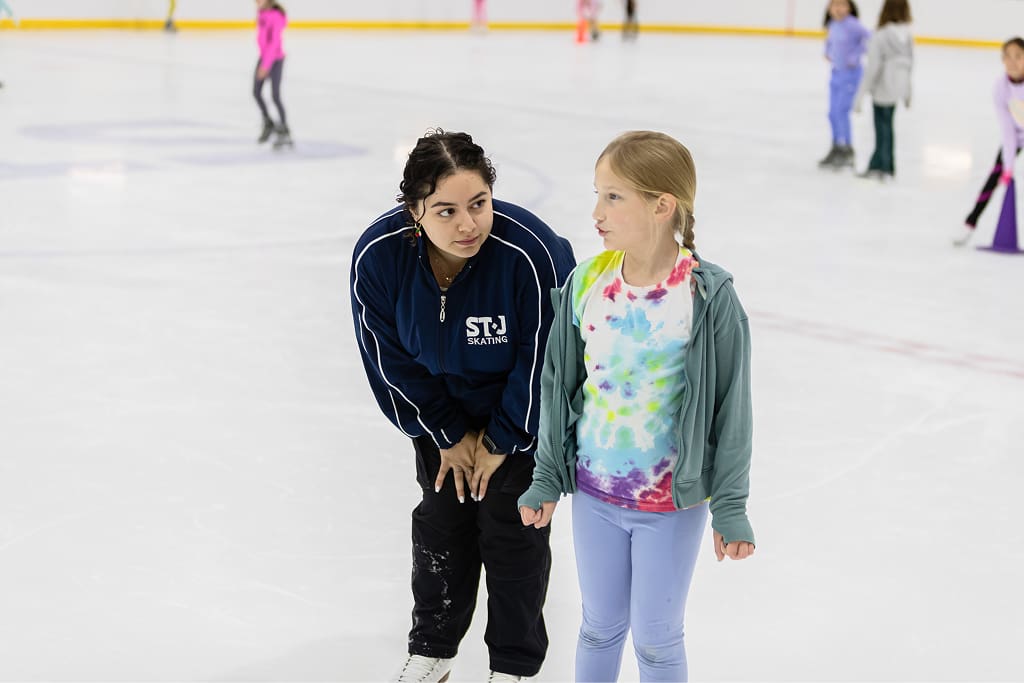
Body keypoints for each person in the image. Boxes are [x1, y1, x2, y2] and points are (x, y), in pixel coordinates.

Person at [518, 130, 756, 682]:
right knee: (598, 628)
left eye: (613, 196)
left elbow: (731, 411)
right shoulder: (586, 282)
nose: (596, 211)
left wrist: (732, 505)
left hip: (670, 505)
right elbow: (557, 386)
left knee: (656, 641)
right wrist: (548, 476)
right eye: (598, 194)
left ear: (662, 205)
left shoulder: (706, 296)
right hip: (595, 495)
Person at [350, 129, 576, 683]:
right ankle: (433, 650)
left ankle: (514, 665)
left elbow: (548, 360)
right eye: (445, 210)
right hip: (440, 416)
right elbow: (387, 360)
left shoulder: (534, 253)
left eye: (479, 204)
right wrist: (448, 433)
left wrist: (501, 439)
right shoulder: (379, 257)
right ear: (414, 211)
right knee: (441, 524)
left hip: (520, 417)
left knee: (513, 532)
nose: (467, 224)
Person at [956, 36, 1024, 246]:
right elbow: (1007, 129)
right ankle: (969, 223)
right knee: (995, 175)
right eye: (1007, 57)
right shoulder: (1001, 87)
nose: (1012, 62)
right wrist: (1008, 167)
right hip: (1018, 135)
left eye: (1018, 56)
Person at [853, 0, 913, 181]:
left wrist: (860, 95)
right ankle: (885, 165)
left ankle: (881, 166)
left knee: (882, 128)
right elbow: (911, 64)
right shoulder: (907, 35)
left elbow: (872, 68)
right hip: (897, 87)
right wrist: (908, 92)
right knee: (888, 126)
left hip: (882, 88)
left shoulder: (881, 35)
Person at [818, 0, 869, 169]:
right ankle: (836, 146)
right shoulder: (833, 24)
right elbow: (831, 41)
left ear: (850, 8)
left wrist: (855, 56)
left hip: (851, 75)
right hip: (836, 74)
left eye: (843, 5)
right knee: (832, 113)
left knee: (842, 111)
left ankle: (847, 149)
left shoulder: (853, 25)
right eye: (835, 5)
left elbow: (870, 39)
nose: (839, 9)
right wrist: (827, 52)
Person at [253, 0, 291, 148]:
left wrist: (265, 65)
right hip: (264, 57)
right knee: (256, 92)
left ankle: (284, 129)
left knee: (275, 95)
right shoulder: (262, 13)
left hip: (275, 59)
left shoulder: (276, 16)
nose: (256, 2)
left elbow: (274, 42)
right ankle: (269, 122)